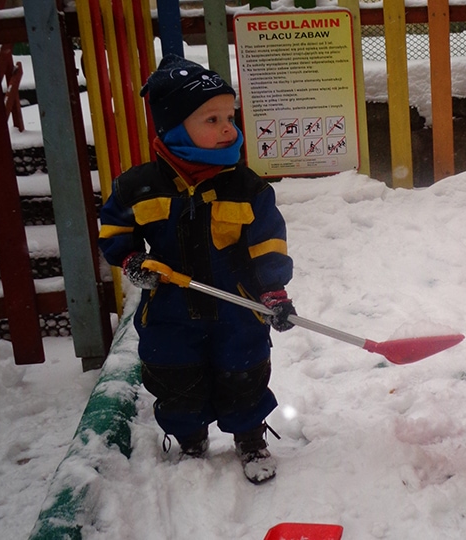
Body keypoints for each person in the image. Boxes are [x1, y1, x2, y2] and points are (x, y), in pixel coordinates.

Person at [98, 54, 295, 485]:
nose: (229, 127)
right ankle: (189, 438)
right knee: (174, 374)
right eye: (212, 118)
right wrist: (131, 260)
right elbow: (115, 229)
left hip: (236, 305)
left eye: (230, 115)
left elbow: (267, 244)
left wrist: (272, 291)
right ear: (173, 128)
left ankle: (249, 436)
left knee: (244, 370)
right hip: (169, 304)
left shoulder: (247, 187)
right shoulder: (139, 186)